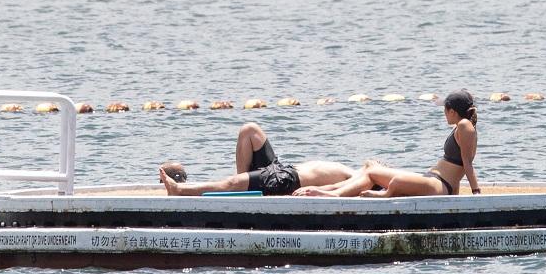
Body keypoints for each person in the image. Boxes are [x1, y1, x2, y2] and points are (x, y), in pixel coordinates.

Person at [295, 89, 479, 198]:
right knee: (369, 168)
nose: (444, 114)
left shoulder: (464, 125)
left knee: (378, 174)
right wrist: (454, 194)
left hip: (438, 184)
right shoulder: (463, 127)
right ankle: (323, 190)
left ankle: (334, 195)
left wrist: (475, 192)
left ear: (453, 111)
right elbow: (460, 167)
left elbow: (467, 164)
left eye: (445, 110)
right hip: (436, 181)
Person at [160, 122, 354, 196]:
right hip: (282, 169)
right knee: (249, 130)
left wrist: (316, 191)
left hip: (286, 180)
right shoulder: (361, 174)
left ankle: (179, 189)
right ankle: (243, 187)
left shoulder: (364, 179)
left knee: (232, 182)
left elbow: (341, 191)